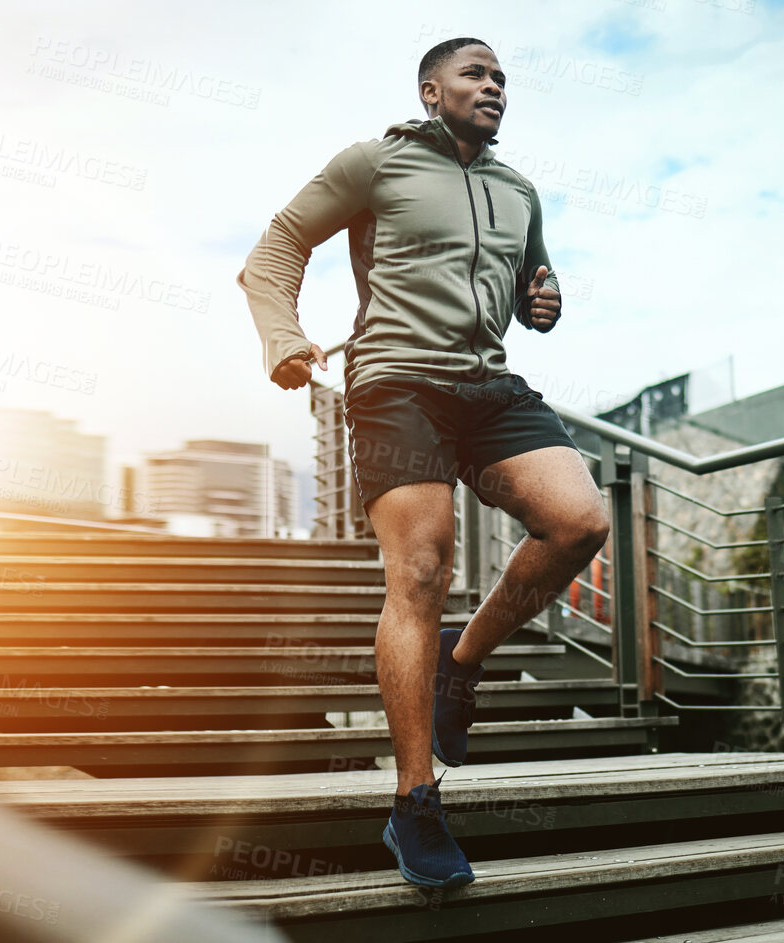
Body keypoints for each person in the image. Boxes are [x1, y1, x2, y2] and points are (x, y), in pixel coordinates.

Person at [236, 37, 611, 889]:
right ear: (430, 89)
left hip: (487, 383)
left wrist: (541, 300)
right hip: (396, 379)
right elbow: (273, 251)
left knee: (579, 520)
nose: (493, 87)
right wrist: (284, 339)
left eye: (502, 79)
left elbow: (532, 285)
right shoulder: (375, 164)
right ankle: (414, 804)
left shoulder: (519, 191)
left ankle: (462, 660)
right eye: (475, 74)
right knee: (419, 568)